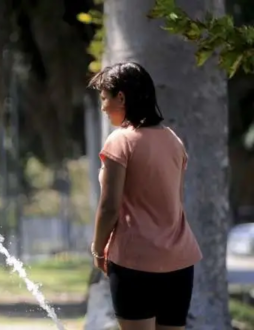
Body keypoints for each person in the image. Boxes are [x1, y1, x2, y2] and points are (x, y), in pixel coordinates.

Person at [89, 62, 202, 330]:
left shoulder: (120, 141)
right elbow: (172, 200)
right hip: (179, 261)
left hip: (134, 261)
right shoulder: (173, 140)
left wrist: (97, 249)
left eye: (105, 98)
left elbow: (109, 208)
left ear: (121, 97)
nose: (103, 107)